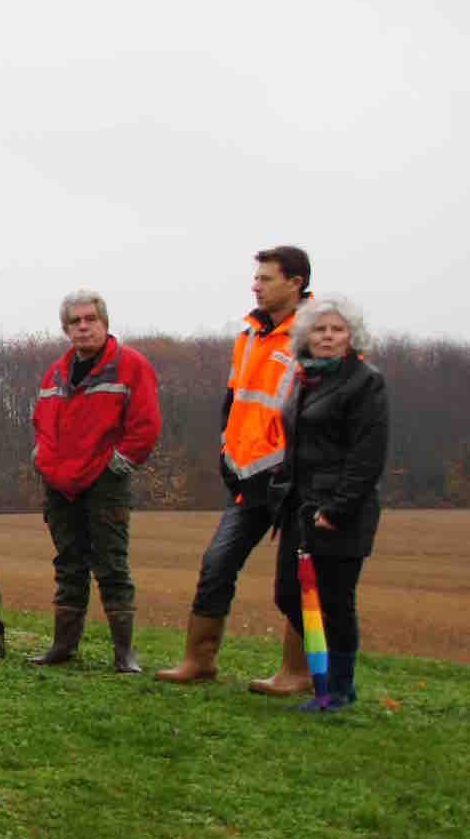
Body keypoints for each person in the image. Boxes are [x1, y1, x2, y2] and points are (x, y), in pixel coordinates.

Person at [157, 246, 317, 688]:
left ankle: (298, 671)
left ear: (295, 283)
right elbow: (235, 401)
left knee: (300, 577)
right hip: (248, 476)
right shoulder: (248, 334)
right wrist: (227, 453)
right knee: (216, 564)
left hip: (296, 481)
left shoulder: (316, 333)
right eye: (256, 278)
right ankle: (199, 660)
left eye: (266, 278)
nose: (256, 286)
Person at [29, 292, 164, 672]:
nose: (83, 326)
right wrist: (42, 458)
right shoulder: (55, 372)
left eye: (90, 319)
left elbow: (146, 425)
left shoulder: (131, 366)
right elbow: (42, 420)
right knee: (69, 563)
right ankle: (63, 646)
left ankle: (125, 654)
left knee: (111, 566)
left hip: (105, 481)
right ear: (66, 329)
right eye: (75, 321)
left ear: (105, 322)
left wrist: (118, 464)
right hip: (59, 482)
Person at [269, 297, 388, 712]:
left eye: (336, 330)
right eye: (319, 330)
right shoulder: (304, 377)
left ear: (350, 336)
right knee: (288, 594)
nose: (328, 337)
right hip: (299, 508)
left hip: (341, 512)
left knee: (336, 600)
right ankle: (324, 679)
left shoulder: (365, 382)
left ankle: (339, 689)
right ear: (306, 336)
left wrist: (338, 508)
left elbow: (367, 456)